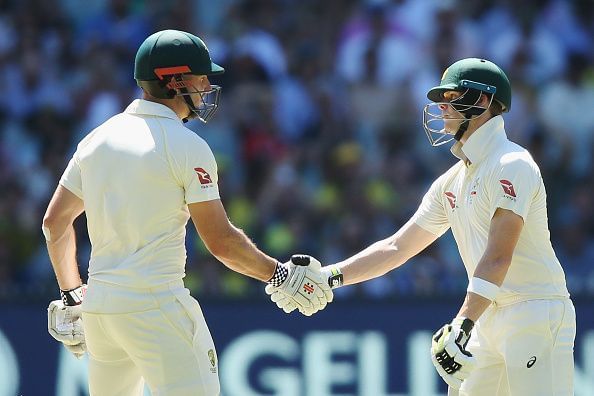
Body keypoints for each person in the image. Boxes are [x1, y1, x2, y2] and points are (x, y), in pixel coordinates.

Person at [43, 29, 332, 396]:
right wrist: (279, 276)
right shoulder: (185, 146)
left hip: (102, 312)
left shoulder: (95, 140)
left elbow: (54, 223)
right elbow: (220, 241)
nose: (208, 83)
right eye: (201, 76)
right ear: (174, 79)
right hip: (157, 308)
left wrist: (72, 296)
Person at [270, 58, 576, 395]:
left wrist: (462, 323)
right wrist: (330, 276)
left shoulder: (512, 164)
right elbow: (398, 247)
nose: (442, 106)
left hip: (534, 309)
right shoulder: (452, 181)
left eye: (452, 96)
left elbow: (498, 258)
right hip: (486, 316)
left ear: (483, 102)